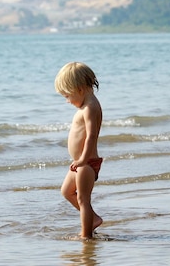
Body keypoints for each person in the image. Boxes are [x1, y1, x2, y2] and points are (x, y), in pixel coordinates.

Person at [54, 62, 104, 239]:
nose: (67, 101)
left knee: (83, 200)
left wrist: (83, 159)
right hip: (81, 162)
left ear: (80, 88)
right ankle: (94, 219)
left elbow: (91, 136)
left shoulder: (90, 108)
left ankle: (86, 235)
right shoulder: (85, 105)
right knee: (66, 191)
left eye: (67, 96)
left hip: (86, 163)